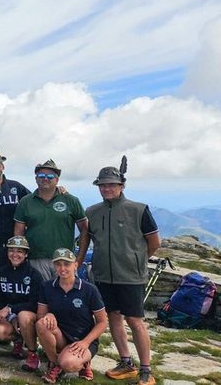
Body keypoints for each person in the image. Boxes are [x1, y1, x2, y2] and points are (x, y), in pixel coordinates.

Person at [82, 163, 160, 385]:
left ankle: (146, 369)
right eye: (102, 185)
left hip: (131, 276)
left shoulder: (139, 209)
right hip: (103, 275)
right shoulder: (92, 212)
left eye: (111, 185)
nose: (106, 188)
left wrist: (137, 260)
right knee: (113, 317)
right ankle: (126, 363)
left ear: (121, 186)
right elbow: (88, 239)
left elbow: (154, 242)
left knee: (135, 320)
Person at [36, 248, 108, 384]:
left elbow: (103, 322)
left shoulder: (89, 289)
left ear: (75, 265)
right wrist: (49, 314)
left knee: (68, 364)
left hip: (82, 339)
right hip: (60, 336)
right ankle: (54, 363)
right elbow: (40, 315)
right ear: (54, 266)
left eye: (67, 264)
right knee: (42, 324)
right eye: (58, 264)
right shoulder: (47, 286)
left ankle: (83, 362)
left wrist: (86, 342)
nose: (62, 268)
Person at [13, 160, 89, 282]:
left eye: (50, 176)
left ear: (57, 180)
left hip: (65, 260)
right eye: (41, 175)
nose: (45, 179)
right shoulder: (25, 202)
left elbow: (85, 230)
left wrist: (78, 260)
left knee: (66, 293)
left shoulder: (71, 200)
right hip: (35, 260)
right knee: (39, 293)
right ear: (36, 179)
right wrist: (20, 257)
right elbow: (18, 233)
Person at [0, 236, 43, 371]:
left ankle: (32, 354)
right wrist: (7, 315)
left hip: (29, 316)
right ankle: (18, 340)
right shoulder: (0, 272)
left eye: (19, 251)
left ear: (26, 254)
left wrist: (12, 309)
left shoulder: (34, 275)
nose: (15, 254)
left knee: (23, 316)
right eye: (11, 250)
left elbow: (35, 303)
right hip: (11, 316)